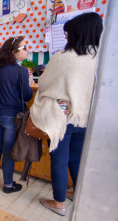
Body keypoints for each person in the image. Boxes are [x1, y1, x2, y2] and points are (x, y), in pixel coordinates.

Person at [33, 13, 103, 216]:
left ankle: (59, 203)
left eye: (68, 33)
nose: (66, 37)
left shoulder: (62, 58)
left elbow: (44, 83)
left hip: (62, 117)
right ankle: (77, 192)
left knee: (59, 160)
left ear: (76, 33)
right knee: (77, 158)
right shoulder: (101, 58)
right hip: (86, 117)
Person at [0, 36, 33, 194]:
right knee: (8, 150)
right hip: (12, 116)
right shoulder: (21, 71)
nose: (27, 50)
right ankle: (8, 185)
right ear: (14, 52)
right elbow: (27, 96)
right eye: (24, 48)